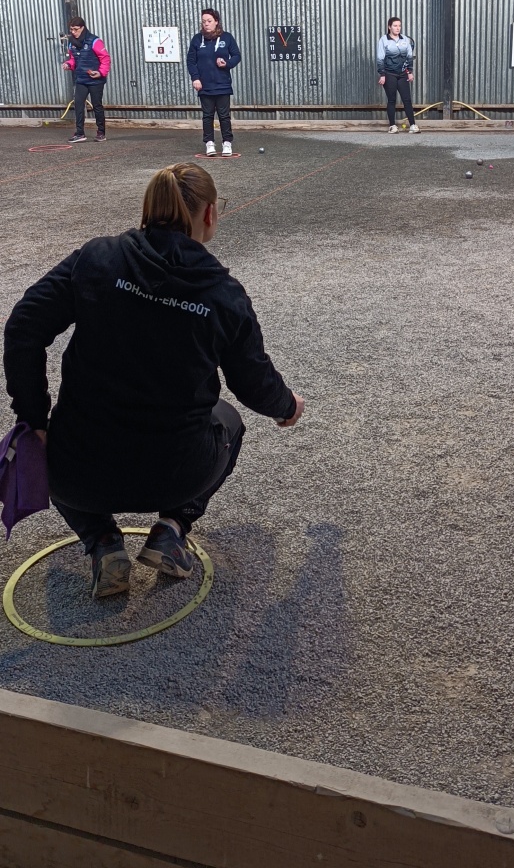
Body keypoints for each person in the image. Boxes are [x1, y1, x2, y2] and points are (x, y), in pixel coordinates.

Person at [3, 164, 304, 600]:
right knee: (230, 422)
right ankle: (173, 527)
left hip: (78, 472)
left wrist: (33, 420)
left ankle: (102, 541)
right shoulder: (223, 293)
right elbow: (253, 383)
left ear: (149, 207)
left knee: (48, 441)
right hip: (178, 473)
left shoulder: (98, 258)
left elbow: (23, 327)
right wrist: (287, 406)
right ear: (210, 214)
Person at [187, 9, 241, 157]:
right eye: (203, 21)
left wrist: (227, 63)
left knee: (224, 116)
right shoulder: (197, 39)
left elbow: (236, 56)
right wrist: (195, 78)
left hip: (222, 84)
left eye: (209, 21)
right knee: (207, 116)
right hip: (204, 85)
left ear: (216, 21)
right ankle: (209, 143)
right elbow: (191, 61)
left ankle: (227, 143)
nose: (206, 24)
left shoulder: (227, 37)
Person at [62, 16, 111, 143]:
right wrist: (68, 64)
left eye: (76, 29)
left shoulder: (95, 41)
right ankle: (80, 133)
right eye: (71, 29)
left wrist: (101, 72)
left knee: (97, 105)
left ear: (82, 28)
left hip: (96, 80)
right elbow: (74, 59)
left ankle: (101, 132)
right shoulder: (71, 43)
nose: (73, 32)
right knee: (78, 104)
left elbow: (105, 58)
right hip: (81, 79)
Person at [377, 16, 420, 134]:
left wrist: (410, 72)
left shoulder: (405, 39)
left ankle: (413, 125)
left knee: (407, 100)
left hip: (403, 75)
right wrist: (382, 74)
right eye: (395, 26)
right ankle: (392, 126)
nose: (398, 28)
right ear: (389, 27)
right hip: (389, 74)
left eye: (399, 26)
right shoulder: (383, 40)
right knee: (391, 100)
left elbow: (409, 56)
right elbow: (380, 58)